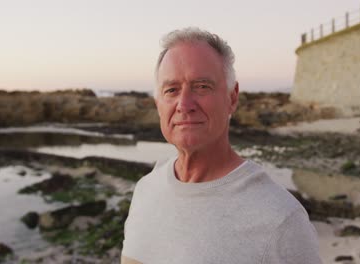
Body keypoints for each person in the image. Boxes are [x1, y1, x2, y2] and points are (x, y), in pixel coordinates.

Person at [121, 27, 322, 264]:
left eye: (202, 86)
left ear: (232, 97)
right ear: (158, 103)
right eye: (172, 90)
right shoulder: (146, 190)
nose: (184, 104)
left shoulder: (281, 220)